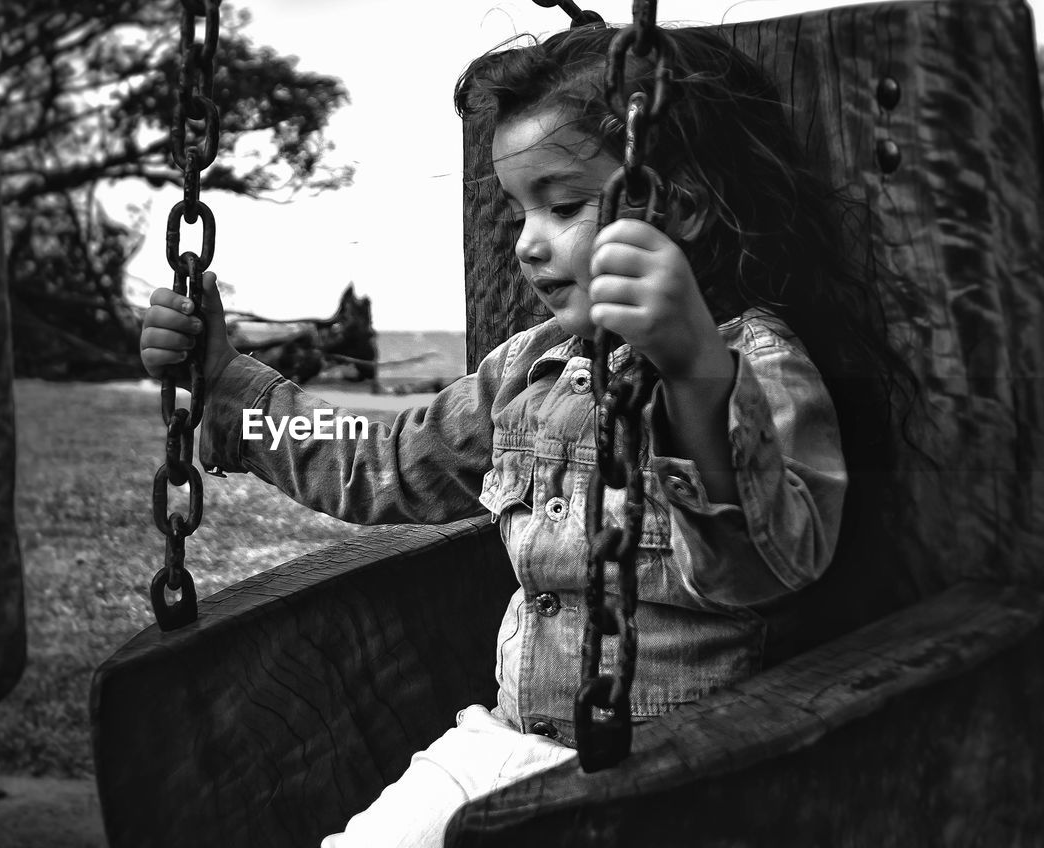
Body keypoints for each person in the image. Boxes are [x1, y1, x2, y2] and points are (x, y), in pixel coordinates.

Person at [139, 23, 916, 848]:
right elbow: (380, 462)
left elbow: (763, 566)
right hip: (503, 746)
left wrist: (692, 374)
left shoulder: (755, 367)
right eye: (518, 207)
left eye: (566, 203)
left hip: (677, 772)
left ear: (679, 205)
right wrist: (228, 389)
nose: (525, 243)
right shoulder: (527, 371)